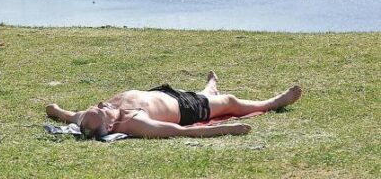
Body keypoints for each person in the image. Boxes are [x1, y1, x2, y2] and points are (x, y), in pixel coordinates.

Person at [46, 71, 302, 139]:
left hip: (162, 93)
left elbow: (67, 115)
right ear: (110, 125)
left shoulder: (87, 119)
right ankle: (275, 101)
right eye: (102, 110)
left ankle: (209, 88)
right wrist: (227, 129)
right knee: (229, 102)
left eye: (96, 105)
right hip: (187, 109)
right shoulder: (136, 124)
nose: (101, 103)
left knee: (205, 94)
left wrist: (54, 109)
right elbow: (183, 132)